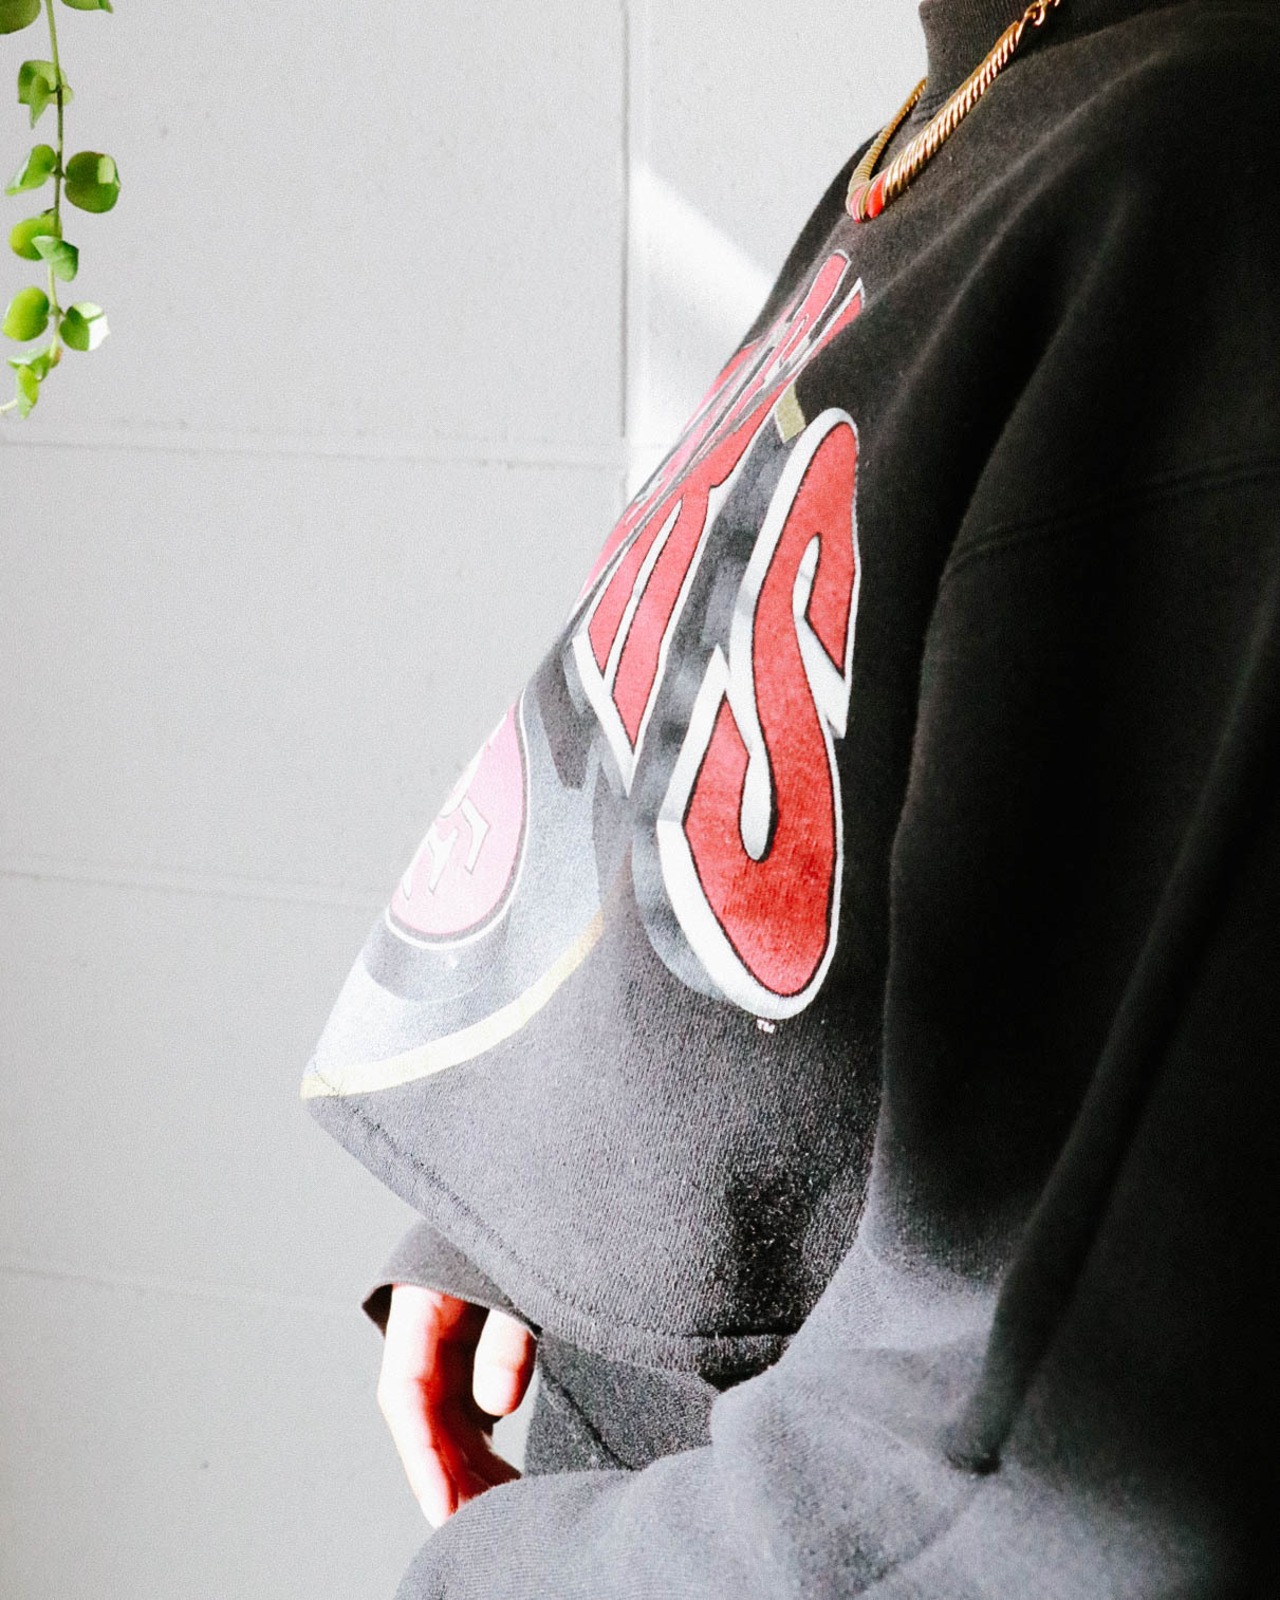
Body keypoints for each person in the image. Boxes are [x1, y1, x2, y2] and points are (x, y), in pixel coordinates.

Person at [303, 0, 1280, 1591]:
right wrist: (532, 1217)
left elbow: (1022, 1482)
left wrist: (486, 1582)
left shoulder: (1209, 169)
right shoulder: (976, 105)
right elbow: (751, 702)